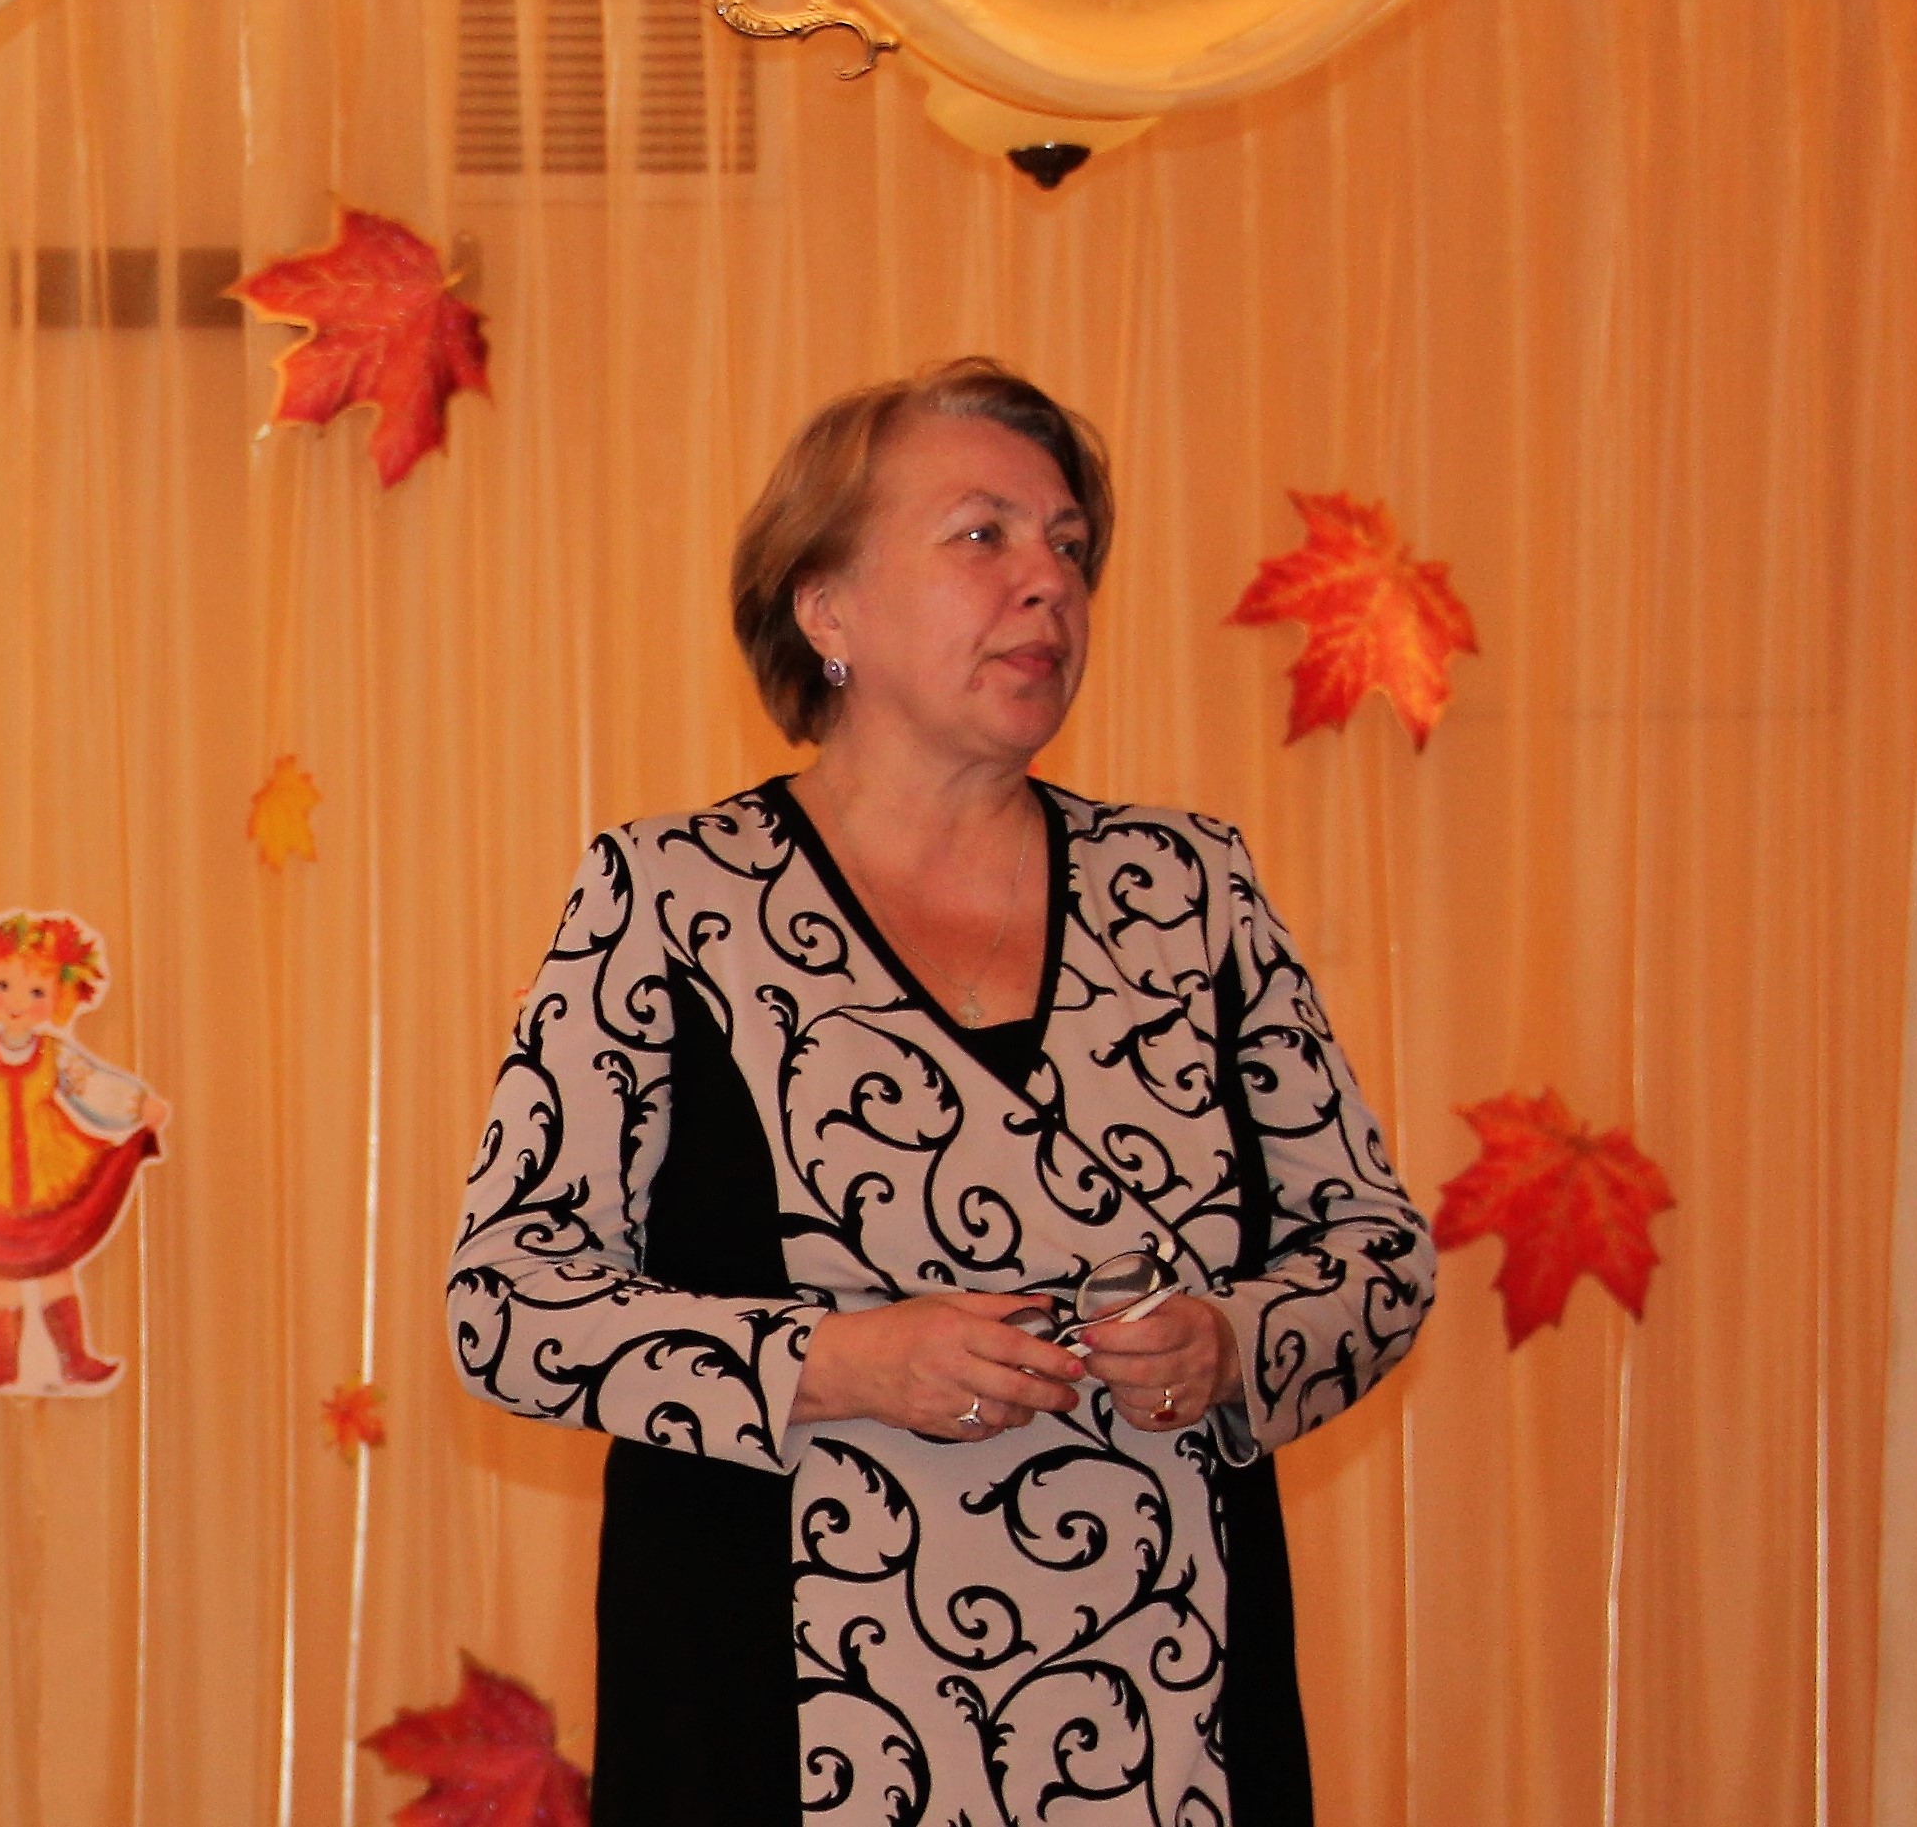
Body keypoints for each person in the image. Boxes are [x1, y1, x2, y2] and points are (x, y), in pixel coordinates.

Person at [447, 357, 1435, 1825]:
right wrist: (833, 1364)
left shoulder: (1190, 890)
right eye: (981, 535)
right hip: (774, 1733)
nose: (1047, 584)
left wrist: (1231, 1342)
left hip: (1171, 1733)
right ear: (826, 610)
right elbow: (507, 1305)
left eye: (1068, 546)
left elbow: (1376, 1254)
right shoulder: (669, 898)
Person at [0, 911, 167, 1393]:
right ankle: (4, 1362)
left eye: (36, 991)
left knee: (55, 1266)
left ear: (58, 1001)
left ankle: (74, 1358)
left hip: (50, 1170)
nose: (19, 1002)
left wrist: (136, 1105)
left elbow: (91, 1085)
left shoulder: (55, 1056)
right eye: (5, 986)